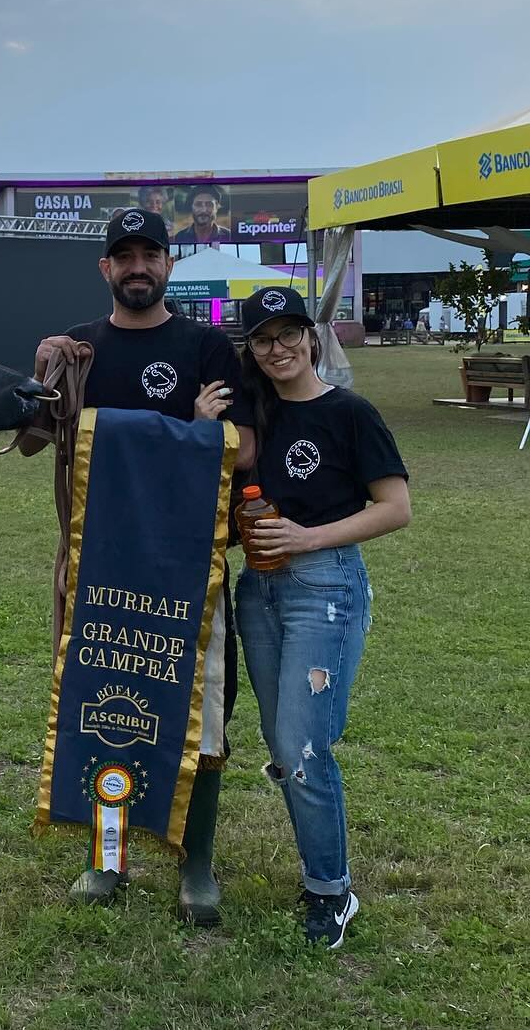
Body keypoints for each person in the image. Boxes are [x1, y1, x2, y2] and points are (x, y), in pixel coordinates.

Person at [38, 207, 257, 924]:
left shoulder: (207, 347)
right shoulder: (79, 350)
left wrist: (198, 435)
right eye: (123, 255)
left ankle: (197, 861)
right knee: (103, 704)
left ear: (169, 264)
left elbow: (244, 446)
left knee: (203, 712)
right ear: (105, 267)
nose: (137, 266)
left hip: (191, 562)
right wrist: (43, 379)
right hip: (97, 561)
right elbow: (41, 442)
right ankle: (108, 857)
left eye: (150, 254)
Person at [233, 287, 410, 949]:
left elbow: (395, 507)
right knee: (283, 747)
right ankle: (322, 871)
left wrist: (308, 538)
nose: (277, 349)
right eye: (262, 339)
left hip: (325, 588)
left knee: (305, 751)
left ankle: (331, 891)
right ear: (250, 350)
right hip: (259, 592)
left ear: (312, 337)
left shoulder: (349, 412)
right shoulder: (255, 419)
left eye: (288, 334)